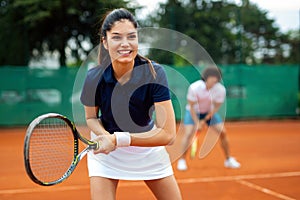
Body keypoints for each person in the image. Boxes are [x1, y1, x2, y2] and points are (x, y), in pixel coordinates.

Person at [80, 8, 182, 200]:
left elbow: (168, 134)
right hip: (107, 153)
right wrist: (105, 137)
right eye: (116, 37)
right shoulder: (93, 77)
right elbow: (91, 117)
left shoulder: (154, 73)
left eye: (131, 37)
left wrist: (119, 140)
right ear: (105, 41)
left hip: (146, 146)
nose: (125, 44)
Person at [176, 67, 241, 171]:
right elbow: (191, 107)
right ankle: (182, 160)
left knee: (222, 132)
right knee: (188, 134)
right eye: (212, 77)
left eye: (217, 78)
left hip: (209, 112)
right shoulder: (194, 87)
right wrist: (197, 122)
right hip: (193, 112)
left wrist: (205, 119)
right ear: (206, 77)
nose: (214, 80)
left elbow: (216, 107)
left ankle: (228, 160)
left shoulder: (220, 89)